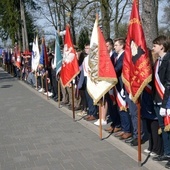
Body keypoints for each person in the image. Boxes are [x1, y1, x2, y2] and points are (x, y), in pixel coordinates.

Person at [151, 35, 170, 169]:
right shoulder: (158, 61)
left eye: (155, 45)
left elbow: (168, 83)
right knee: (163, 127)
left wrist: (165, 104)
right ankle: (167, 152)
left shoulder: (168, 60)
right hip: (158, 98)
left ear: (162, 46)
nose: (153, 48)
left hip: (167, 100)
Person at [112, 38, 132, 140]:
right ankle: (124, 128)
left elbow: (118, 68)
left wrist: (109, 74)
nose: (114, 47)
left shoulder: (124, 55)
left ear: (122, 46)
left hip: (123, 85)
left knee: (124, 107)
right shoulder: (116, 56)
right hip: (118, 84)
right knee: (120, 108)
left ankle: (127, 130)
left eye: (116, 45)